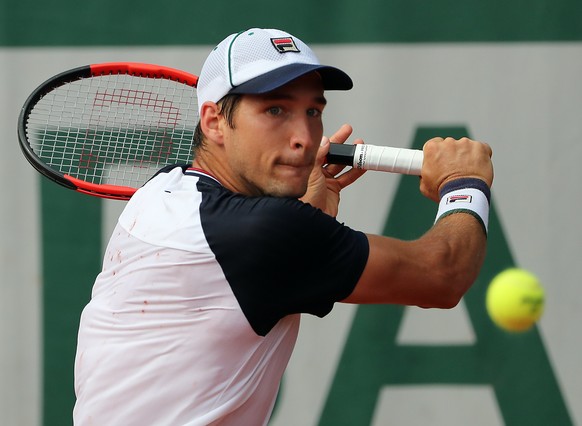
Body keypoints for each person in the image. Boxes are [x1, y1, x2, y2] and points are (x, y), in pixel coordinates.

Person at [73, 28, 493, 425]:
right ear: (214, 121)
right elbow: (443, 274)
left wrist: (312, 211)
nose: (304, 138)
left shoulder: (164, 189)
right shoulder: (263, 234)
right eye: (275, 109)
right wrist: (464, 183)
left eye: (313, 111)